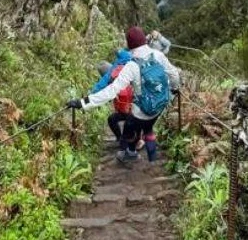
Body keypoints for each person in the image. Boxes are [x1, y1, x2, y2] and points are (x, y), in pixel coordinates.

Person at [67, 26, 181, 164]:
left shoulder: (131, 66)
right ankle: (152, 161)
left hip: (143, 109)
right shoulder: (158, 55)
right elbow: (174, 74)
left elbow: (111, 90)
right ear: (144, 40)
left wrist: (83, 102)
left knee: (129, 129)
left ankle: (131, 154)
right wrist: (174, 89)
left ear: (129, 45)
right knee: (148, 129)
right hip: (160, 104)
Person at [91, 48, 135, 152]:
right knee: (111, 119)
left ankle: (128, 141)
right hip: (124, 110)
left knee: (130, 123)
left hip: (133, 111)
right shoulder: (112, 81)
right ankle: (120, 138)